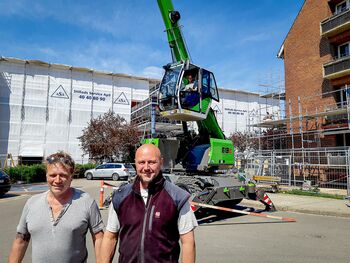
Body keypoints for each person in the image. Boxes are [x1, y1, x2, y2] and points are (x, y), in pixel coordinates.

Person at [100, 144, 197, 263]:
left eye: (151, 162)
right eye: (141, 162)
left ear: (161, 162)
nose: (146, 167)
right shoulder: (120, 196)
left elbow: (188, 242)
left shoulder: (178, 197)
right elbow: (110, 237)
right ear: (135, 163)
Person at [8, 151, 104, 263]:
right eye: (53, 175)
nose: (57, 180)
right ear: (46, 176)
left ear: (71, 177)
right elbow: (21, 240)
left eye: (63, 175)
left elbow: (99, 238)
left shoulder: (86, 202)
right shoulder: (32, 203)